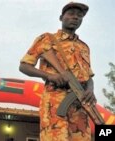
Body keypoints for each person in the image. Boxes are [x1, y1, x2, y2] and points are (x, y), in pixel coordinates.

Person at [19, 2, 96, 141]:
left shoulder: (84, 47)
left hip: (80, 106)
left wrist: (91, 90)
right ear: (61, 18)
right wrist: (51, 76)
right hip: (55, 102)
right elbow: (24, 66)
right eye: (71, 14)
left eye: (79, 16)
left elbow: (88, 76)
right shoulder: (47, 39)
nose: (76, 18)